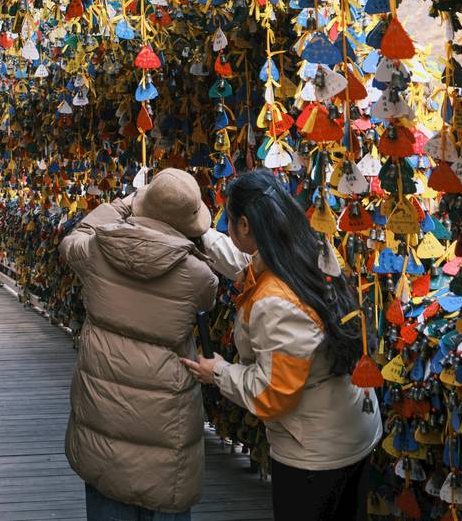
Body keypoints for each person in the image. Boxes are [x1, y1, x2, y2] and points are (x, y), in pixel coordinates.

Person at [182, 170, 381, 521]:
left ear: (245, 225)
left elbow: (273, 393)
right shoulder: (307, 250)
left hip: (317, 453)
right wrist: (204, 237)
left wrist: (219, 372)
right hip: (351, 424)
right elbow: (247, 266)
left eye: (227, 220)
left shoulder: (276, 304)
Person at [58, 168, 220, 521]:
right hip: (167, 417)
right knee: (165, 499)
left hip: (104, 407)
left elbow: (72, 239)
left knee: (108, 490)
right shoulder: (200, 277)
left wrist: (123, 204)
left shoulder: (97, 249)